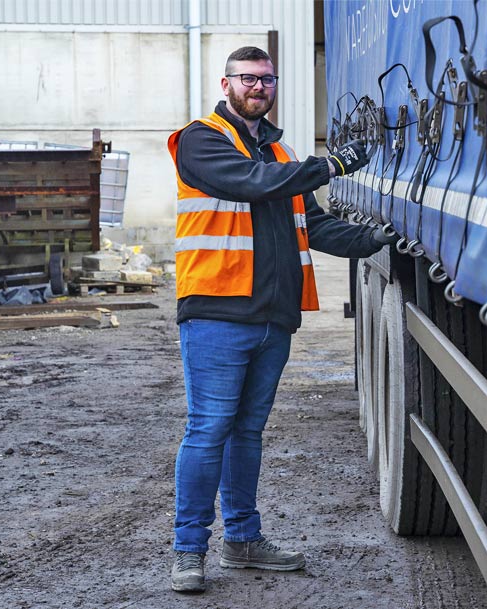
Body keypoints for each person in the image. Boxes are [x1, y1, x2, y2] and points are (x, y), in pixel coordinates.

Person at [167, 45, 392, 593]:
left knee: (247, 433)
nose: (259, 88)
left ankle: (242, 540)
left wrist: (378, 241)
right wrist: (331, 165)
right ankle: (188, 550)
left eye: (267, 79)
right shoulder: (201, 139)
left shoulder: (282, 153)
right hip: (217, 311)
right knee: (209, 429)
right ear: (226, 85)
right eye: (248, 79)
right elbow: (250, 183)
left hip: (273, 318)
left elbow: (311, 226)